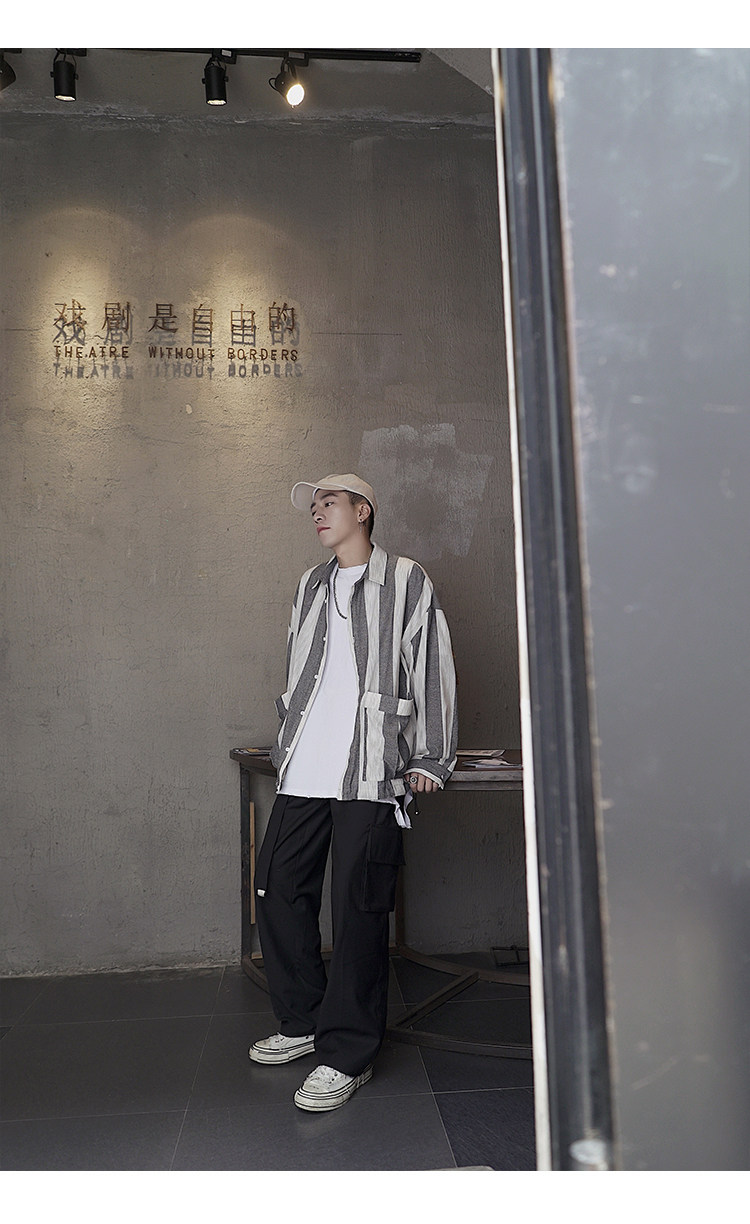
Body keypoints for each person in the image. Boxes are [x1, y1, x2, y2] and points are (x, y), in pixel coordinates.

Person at [249, 472, 457, 1111]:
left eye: (329, 503)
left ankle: (347, 1054)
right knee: (278, 887)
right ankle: (304, 1021)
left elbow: (432, 665)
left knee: (358, 908)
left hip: (369, 766)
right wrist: (287, 733)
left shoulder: (407, 579)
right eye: (313, 507)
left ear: (362, 511)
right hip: (305, 765)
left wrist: (431, 756)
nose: (317, 514)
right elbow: (298, 665)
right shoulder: (310, 584)